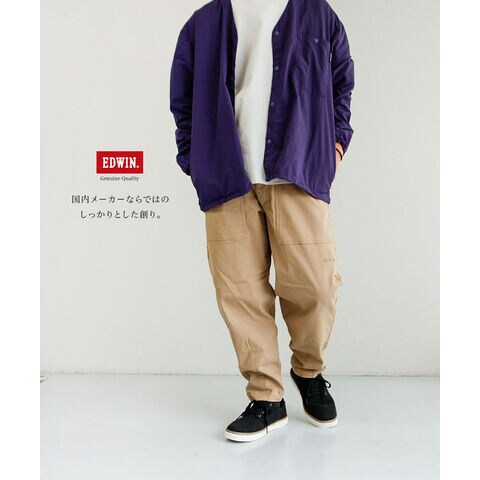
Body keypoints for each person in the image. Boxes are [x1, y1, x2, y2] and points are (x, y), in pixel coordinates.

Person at [169, 0, 354, 443]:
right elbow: (183, 98)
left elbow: (342, 81)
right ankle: (266, 396)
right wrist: (195, 159)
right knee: (239, 292)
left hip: (297, 170)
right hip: (227, 175)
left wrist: (335, 144)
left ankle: (308, 370)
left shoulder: (317, 14)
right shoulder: (203, 23)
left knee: (315, 284)